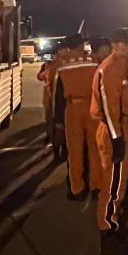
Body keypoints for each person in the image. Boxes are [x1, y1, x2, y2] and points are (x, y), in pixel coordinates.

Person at [90, 28, 128, 255]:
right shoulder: (110, 69)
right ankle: (108, 232)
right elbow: (109, 109)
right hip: (114, 130)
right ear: (116, 46)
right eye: (127, 44)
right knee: (113, 184)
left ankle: (114, 223)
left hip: (122, 127)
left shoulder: (122, 66)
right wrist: (117, 139)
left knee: (120, 182)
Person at [53, 34, 102, 200]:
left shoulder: (62, 64)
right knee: (95, 148)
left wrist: (58, 120)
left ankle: (77, 189)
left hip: (72, 109)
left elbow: (59, 94)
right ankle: (96, 186)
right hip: (93, 107)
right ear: (81, 45)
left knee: (74, 150)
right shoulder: (94, 61)